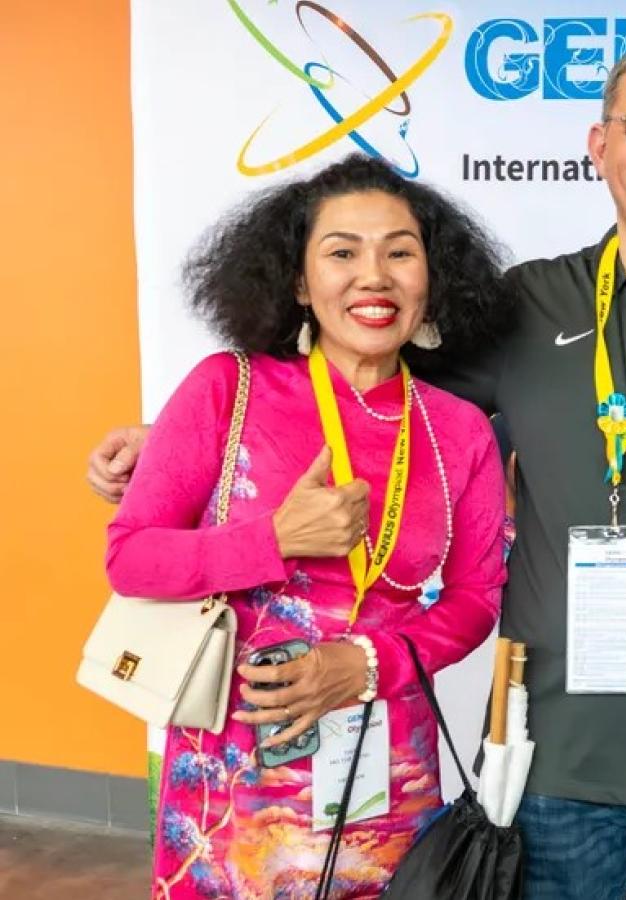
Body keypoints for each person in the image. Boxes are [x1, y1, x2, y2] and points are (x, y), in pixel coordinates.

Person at [93, 39, 626, 900]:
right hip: (549, 755)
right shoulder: (528, 304)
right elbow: (358, 381)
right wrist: (172, 438)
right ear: (601, 146)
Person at [102, 153, 510, 898]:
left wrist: (368, 665)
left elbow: (478, 597)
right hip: (230, 796)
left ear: (433, 278)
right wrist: (274, 541)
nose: (374, 276)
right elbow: (132, 560)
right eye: (342, 252)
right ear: (298, 282)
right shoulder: (226, 390)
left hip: (389, 784)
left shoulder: (458, 431)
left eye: (400, 251)